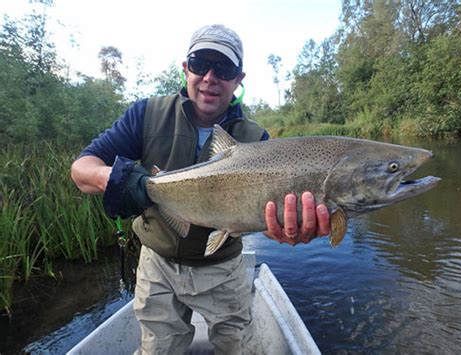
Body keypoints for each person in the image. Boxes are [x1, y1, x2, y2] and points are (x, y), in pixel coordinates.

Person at [71, 24, 330, 355]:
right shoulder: (146, 115)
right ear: (185, 70)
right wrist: (120, 180)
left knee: (238, 348)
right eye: (200, 63)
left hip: (224, 269)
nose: (210, 77)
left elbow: (268, 225)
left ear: (238, 80)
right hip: (157, 266)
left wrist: (289, 230)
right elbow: (81, 170)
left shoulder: (258, 142)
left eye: (223, 68)